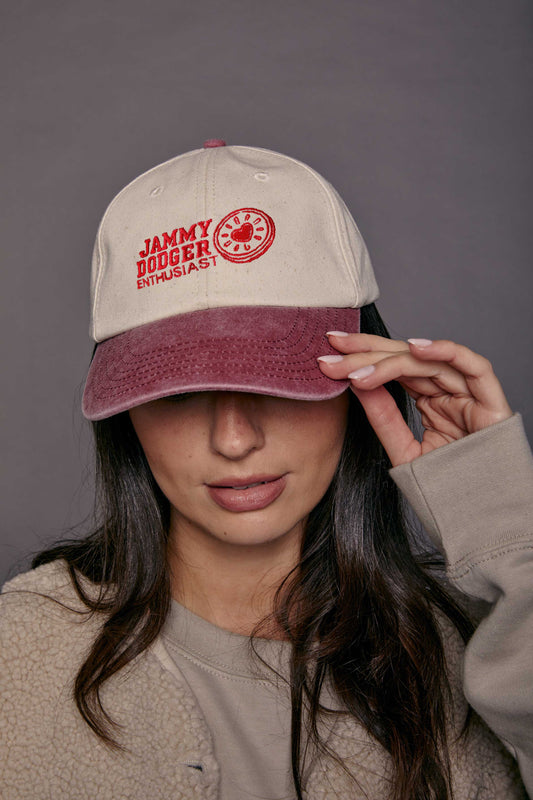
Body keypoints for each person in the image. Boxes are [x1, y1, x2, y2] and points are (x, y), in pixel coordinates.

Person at [1, 140, 531, 800]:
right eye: (178, 392)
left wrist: (502, 527)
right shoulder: (17, 657)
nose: (233, 438)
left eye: (277, 381)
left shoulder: (461, 648)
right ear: (126, 414)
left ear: (363, 378)